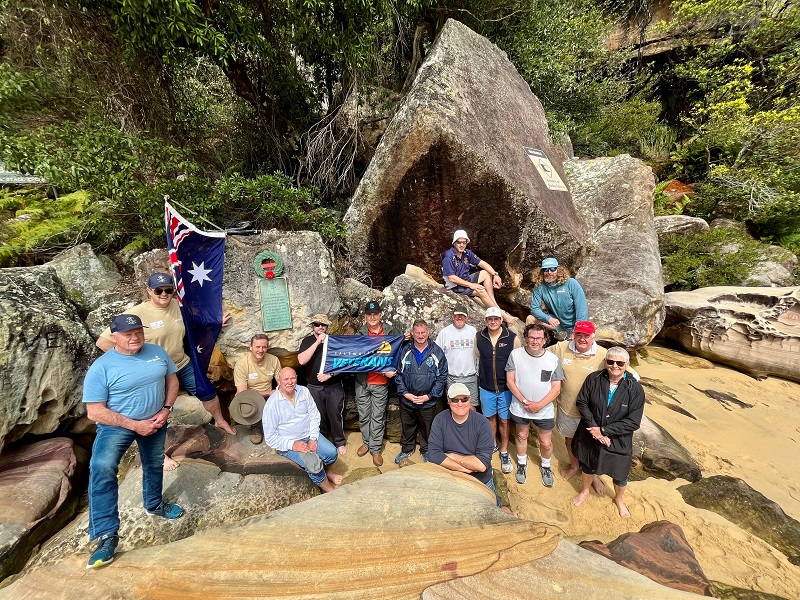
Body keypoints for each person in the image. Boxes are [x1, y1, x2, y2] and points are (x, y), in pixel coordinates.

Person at [96, 272, 236, 472]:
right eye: (159, 290)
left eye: (168, 290)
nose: (164, 294)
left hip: (180, 363)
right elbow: (102, 342)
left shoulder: (178, 307)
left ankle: (220, 421)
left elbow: (193, 323)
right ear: (149, 291)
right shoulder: (137, 313)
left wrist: (215, 324)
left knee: (208, 392)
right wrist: (134, 357)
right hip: (154, 371)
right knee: (154, 411)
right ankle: (158, 454)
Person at [83, 314, 184, 569]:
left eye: (138, 331)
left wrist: (167, 409)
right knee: (102, 467)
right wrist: (134, 425)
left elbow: (172, 379)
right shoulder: (102, 367)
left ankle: (154, 505)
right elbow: (94, 411)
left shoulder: (156, 352)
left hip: (155, 419)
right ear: (114, 337)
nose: (135, 337)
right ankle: (106, 535)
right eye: (128, 334)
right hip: (117, 426)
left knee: (153, 463)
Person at [571, 347, 645, 518]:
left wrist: (604, 431)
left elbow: (633, 421)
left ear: (627, 364)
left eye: (619, 363)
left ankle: (619, 499)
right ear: (605, 362)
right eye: (610, 361)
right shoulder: (594, 379)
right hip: (591, 432)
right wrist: (595, 429)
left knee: (620, 474)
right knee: (589, 464)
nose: (614, 366)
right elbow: (582, 402)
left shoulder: (635, 389)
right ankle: (585, 491)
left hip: (618, 439)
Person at [262, 367, 342, 492]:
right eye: (286, 379)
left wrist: (313, 438)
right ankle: (329, 490)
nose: (290, 382)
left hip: (308, 435)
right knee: (313, 464)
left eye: (293, 378)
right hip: (288, 442)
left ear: (296, 378)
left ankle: (328, 473)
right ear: (279, 381)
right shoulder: (272, 404)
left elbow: (314, 415)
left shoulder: (304, 391)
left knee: (332, 453)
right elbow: (270, 438)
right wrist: (292, 444)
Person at [505, 323, 564, 487]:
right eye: (531, 337)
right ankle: (522, 463)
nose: (535, 341)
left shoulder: (553, 360)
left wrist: (539, 405)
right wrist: (524, 401)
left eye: (539, 338)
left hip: (544, 410)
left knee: (545, 442)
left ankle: (546, 465)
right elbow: (510, 381)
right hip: (520, 406)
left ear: (545, 340)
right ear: (526, 338)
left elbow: (556, 388)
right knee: (521, 435)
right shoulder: (515, 355)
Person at [354, 301, 408, 467]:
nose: (372, 317)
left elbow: (398, 351)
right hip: (362, 381)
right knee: (363, 415)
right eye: (369, 315)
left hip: (381, 383)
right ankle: (366, 443)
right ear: (365, 316)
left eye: (375, 314)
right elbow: (358, 358)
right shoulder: (360, 334)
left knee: (377, 417)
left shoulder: (391, 332)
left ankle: (375, 449)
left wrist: (404, 339)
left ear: (380, 315)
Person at [427, 383, 499, 505]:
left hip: (480, 480)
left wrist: (452, 456)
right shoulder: (440, 420)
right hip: (451, 478)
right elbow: (434, 455)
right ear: (448, 401)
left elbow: (481, 465)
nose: (460, 403)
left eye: (464, 399)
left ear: (470, 400)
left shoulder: (483, 424)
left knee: (496, 512)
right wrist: (464, 468)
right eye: (455, 400)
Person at [395, 320, 448, 463]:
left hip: (428, 401)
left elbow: (442, 376)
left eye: (423, 332)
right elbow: (398, 374)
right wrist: (405, 393)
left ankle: (426, 451)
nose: (420, 335)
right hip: (408, 399)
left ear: (428, 332)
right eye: (417, 333)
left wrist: (429, 396)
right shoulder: (405, 350)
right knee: (407, 426)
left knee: (427, 428)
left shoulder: (436, 351)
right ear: (412, 333)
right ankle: (407, 449)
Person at [476, 306, 521, 476]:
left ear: (501, 320)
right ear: (486, 320)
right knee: (489, 418)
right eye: (490, 319)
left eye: (496, 319)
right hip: (486, 386)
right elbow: (478, 357)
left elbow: (518, 363)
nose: (493, 321)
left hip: (505, 389)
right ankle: (492, 443)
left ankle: (504, 450)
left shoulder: (512, 338)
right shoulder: (479, 337)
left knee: (504, 420)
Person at [442, 229, 517, 325]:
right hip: (455, 287)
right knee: (480, 290)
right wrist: (472, 285)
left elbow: (482, 263)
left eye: (464, 243)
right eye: (459, 242)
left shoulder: (466, 253)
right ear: (454, 243)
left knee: (486, 273)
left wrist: (496, 275)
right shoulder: (448, 256)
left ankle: (493, 303)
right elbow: (451, 278)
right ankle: (503, 316)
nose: (462, 245)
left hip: (465, 280)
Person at [297, 313, 346, 455]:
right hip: (313, 386)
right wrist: (318, 342)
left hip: (333, 385)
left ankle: (339, 442)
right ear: (313, 326)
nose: (320, 327)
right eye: (317, 324)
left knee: (335, 414)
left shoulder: (335, 341)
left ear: (327, 326)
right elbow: (301, 360)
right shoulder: (307, 341)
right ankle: (323, 441)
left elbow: (343, 364)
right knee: (318, 416)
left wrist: (329, 375)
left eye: (323, 324)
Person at [233, 333, 281, 444]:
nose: (261, 350)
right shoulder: (242, 364)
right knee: (246, 402)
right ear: (251, 347)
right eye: (257, 347)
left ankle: (278, 426)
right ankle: (255, 427)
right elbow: (242, 393)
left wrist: (279, 392)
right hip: (250, 398)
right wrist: (268, 392)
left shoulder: (273, 360)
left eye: (264, 347)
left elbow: (281, 382)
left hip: (269, 396)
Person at [526, 258, 588, 340]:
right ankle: (530, 347)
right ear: (542, 272)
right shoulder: (539, 287)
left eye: (553, 269)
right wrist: (548, 319)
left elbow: (582, 308)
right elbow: (535, 308)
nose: (549, 272)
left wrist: (577, 330)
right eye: (546, 270)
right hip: (557, 324)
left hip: (574, 326)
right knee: (530, 319)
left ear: (558, 270)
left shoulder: (571, 283)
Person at [435, 305, 478, 411]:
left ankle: (472, 428)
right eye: (457, 315)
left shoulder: (473, 331)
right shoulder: (444, 333)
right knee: (454, 408)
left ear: (467, 318)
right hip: (452, 378)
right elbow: (437, 355)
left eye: (462, 316)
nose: (460, 318)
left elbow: (479, 353)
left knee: (471, 408)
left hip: (471, 378)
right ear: (452, 316)